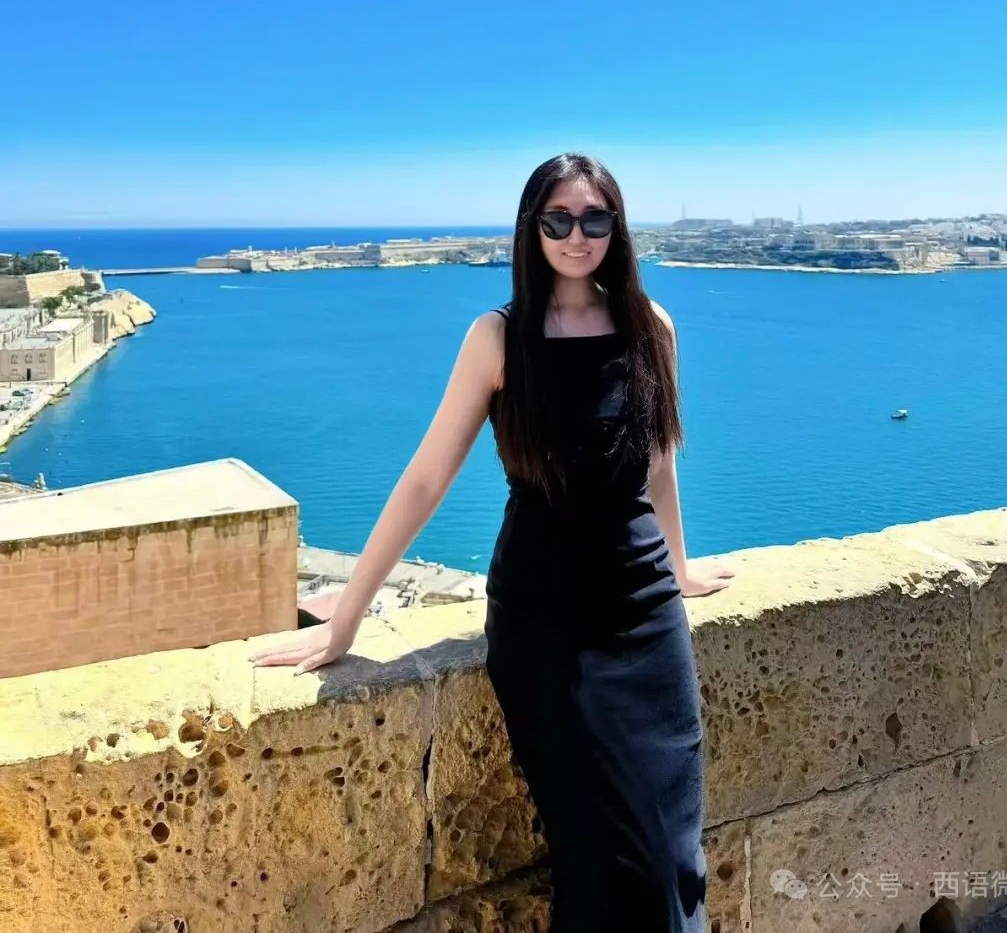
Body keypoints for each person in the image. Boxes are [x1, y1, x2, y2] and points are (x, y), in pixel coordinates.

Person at [250, 151, 736, 929]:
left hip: (645, 615)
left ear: (617, 227)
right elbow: (425, 478)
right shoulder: (499, 337)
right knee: (594, 857)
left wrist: (679, 569)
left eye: (595, 219)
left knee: (672, 855)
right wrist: (347, 618)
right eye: (558, 220)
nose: (577, 236)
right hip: (545, 622)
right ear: (531, 228)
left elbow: (659, 467)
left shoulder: (653, 327)